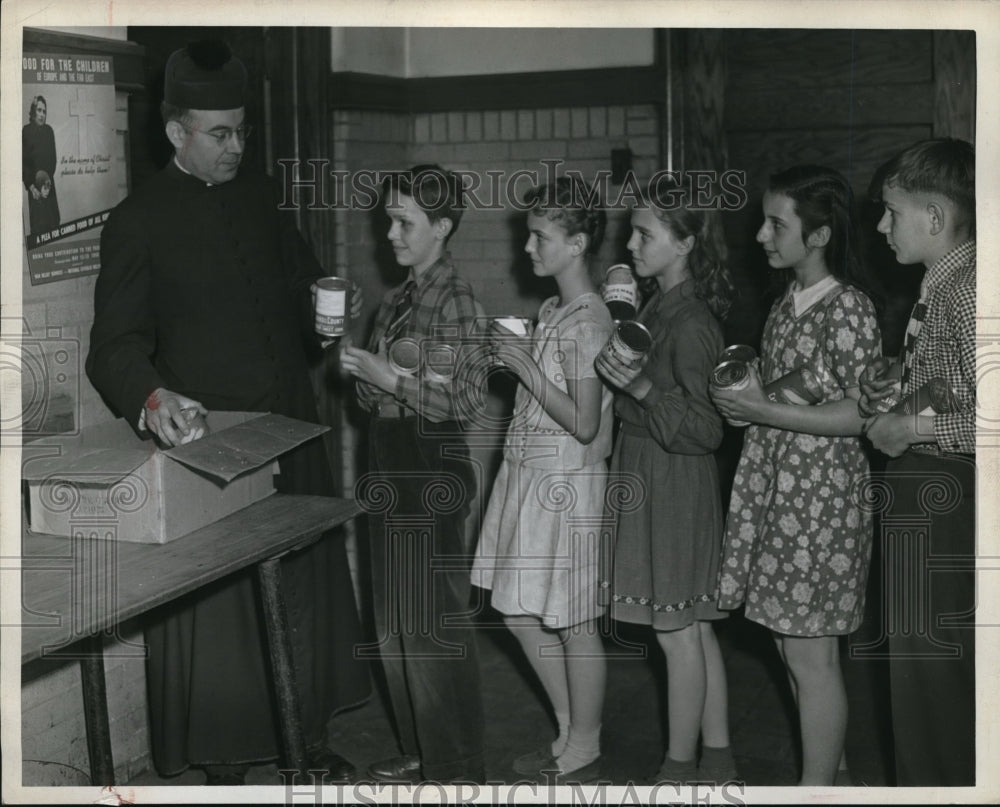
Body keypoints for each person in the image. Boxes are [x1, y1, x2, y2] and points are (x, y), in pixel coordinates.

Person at [86, 40, 369, 785]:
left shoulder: (259, 193)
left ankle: (304, 741)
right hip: (216, 451)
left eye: (243, 129)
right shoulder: (138, 220)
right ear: (176, 131)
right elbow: (112, 348)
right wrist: (153, 396)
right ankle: (226, 769)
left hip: (292, 426)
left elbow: (302, 282)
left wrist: (325, 305)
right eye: (221, 132)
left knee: (303, 591)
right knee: (229, 623)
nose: (238, 145)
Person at [710, 165, 881, 786]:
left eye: (776, 223)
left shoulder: (849, 308)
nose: (760, 234)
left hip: (820, 500)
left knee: (811, 655)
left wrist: (760, 408)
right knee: (792, 647)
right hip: (780, 491)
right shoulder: (786, 303)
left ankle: (815, 793)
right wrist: (747, 399)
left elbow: (863, 414)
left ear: (819, 235)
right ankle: (829, 775)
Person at [340, 164, 487, 784]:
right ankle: (419, 747)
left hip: (430, 462)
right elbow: (375, 402)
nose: (390, 233)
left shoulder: (456, 299)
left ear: (442, 227)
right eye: (389, 220)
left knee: (431, 624)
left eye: (404, 222)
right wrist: (367, 377)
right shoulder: (396, 299)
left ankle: (455, 767)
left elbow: (463, 401)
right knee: (392, 620)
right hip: (389, 456)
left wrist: (388, 379)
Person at [471, 177, 613, 785]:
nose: (527, 249)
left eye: (539, 237)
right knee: (519, 613)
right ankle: (568, 722)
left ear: (577, 243)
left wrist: (525, 365)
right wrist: (519, 358)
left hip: (567, 484)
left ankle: (585, 740)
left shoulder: (590, 319)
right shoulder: (554, 310)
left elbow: (584, 422)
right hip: (526, 477)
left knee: (574, 620)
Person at [595, 180, 737, 785]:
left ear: (684, 243)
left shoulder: (692, 322)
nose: (630, 244)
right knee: (693, 630)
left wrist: (639, 388)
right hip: (652, 470)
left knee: (676, 633)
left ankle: (679, 770)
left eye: (645, 234)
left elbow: (709, 428)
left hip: (675, 478)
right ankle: (720, 762)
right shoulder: (656, 307)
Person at [859, 138, 976, 786]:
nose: (881, 227)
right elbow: (958, 382)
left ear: (933, 218)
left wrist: (908, 425)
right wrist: (905, 388)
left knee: (935, 680)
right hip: (927, 493)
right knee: (918, 675)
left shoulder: (968, 288)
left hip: (946, 498)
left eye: (891, 212)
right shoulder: (948, 282)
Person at [23, 95, 61, 237]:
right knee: (39, 230)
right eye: (39, 110)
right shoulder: (25, 132)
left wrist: (46, 185)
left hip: (48, 186)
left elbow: (53, 161)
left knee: (54, 225)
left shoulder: (49, 131)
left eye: (44, 111)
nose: (42, 115)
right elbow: (24, 163)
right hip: (34, 190)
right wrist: (32, 187)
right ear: (33, 112)